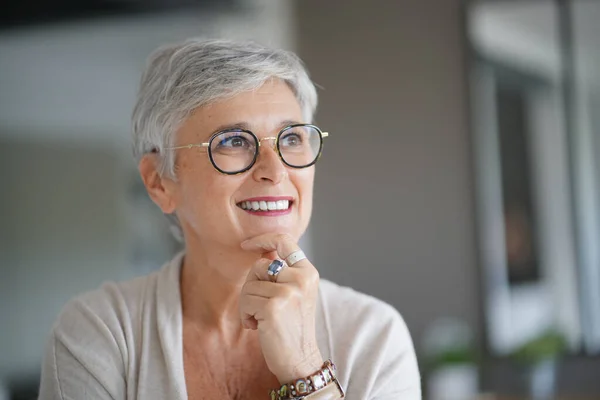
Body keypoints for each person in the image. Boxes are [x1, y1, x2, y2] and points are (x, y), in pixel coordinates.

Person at [38, 38, 421, 400]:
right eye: (234, 141)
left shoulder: (374, 336)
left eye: (291, 138)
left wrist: (305, 369)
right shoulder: (98, 332)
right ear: (159, 182)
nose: (276, 171)